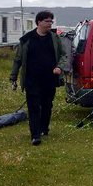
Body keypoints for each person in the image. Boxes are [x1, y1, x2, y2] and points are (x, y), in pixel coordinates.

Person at [10, 10, 67, 146]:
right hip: (32, 80)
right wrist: (13, 76)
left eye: (51, 21)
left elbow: (64, 56)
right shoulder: (26, 39)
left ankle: (44, 128)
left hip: (50, 79)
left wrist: (60, 67)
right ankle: (35, 135)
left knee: (47, 105)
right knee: (34, 106)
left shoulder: (55, 38)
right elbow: (18, 60)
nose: (50, 24)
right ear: (39, 22)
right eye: (47, 21)